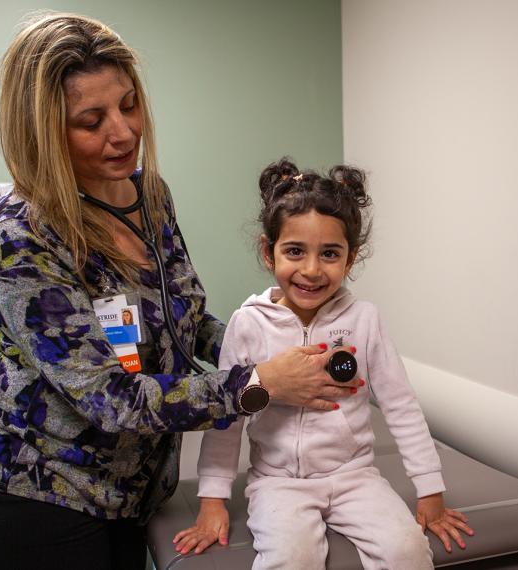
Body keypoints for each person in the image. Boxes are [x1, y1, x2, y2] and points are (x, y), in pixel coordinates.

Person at [0, 13, 355, 569]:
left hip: (136, 491)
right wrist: (260, 382)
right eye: (90, 120)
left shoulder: (148, 195)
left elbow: (185, 320)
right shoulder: (22, 236)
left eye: (127, 104)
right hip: (40, 494)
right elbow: (110, 401)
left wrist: (280, 337)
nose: (122, 133)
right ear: (42, 131)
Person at [171, 160, 474, 568]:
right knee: (291, 559)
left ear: (350, 260)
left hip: (354, 476)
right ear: (268, 251)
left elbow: (401, 406)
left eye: (330, 254)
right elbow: (229, 419)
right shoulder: (247, 324)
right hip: (278, 483)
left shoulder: (363, 321)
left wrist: (430, 491)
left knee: (407, 551)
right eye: (295, 251)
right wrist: (212, 501)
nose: (311, 270)